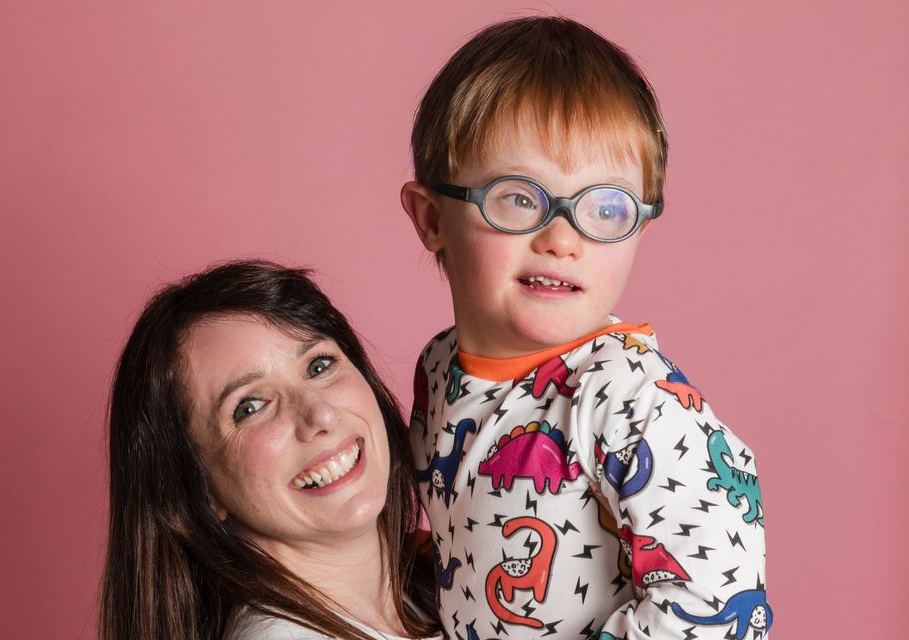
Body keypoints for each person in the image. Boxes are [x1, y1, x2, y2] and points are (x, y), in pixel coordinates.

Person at [400, 16, 771, 640]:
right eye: (520, 198)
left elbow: (715, 606)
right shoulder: (439, 368)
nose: (563, 239)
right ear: (433, 218)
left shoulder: (634, 402)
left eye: (605, 207)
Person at [100, 260, 441, 640]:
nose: (321, 415)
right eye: (251, 407)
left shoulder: (446, 584)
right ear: (198, 487)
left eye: (319, 366)